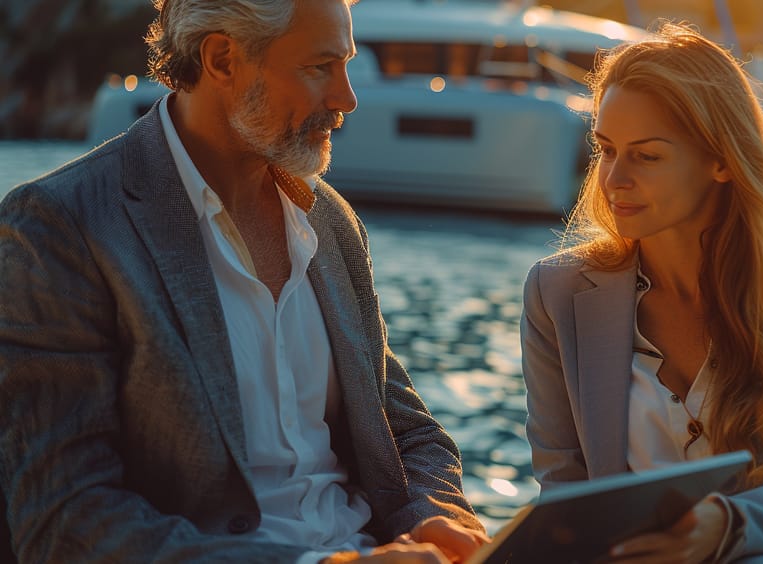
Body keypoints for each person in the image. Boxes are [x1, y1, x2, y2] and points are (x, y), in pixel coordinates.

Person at [0, 0, 488, 562]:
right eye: (318, 67)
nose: (346, 98)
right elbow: (63, 517)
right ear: (222, 59)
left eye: (346, 64)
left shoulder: (329, 219)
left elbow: (404, 428)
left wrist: (434, 516)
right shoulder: (63, 224)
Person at [519, 22, 763, 563]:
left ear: (722, 160)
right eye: (606, 149)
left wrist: (720, 528)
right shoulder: (556, 292)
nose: (613, 179)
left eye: (647, 156)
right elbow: (564, 488)